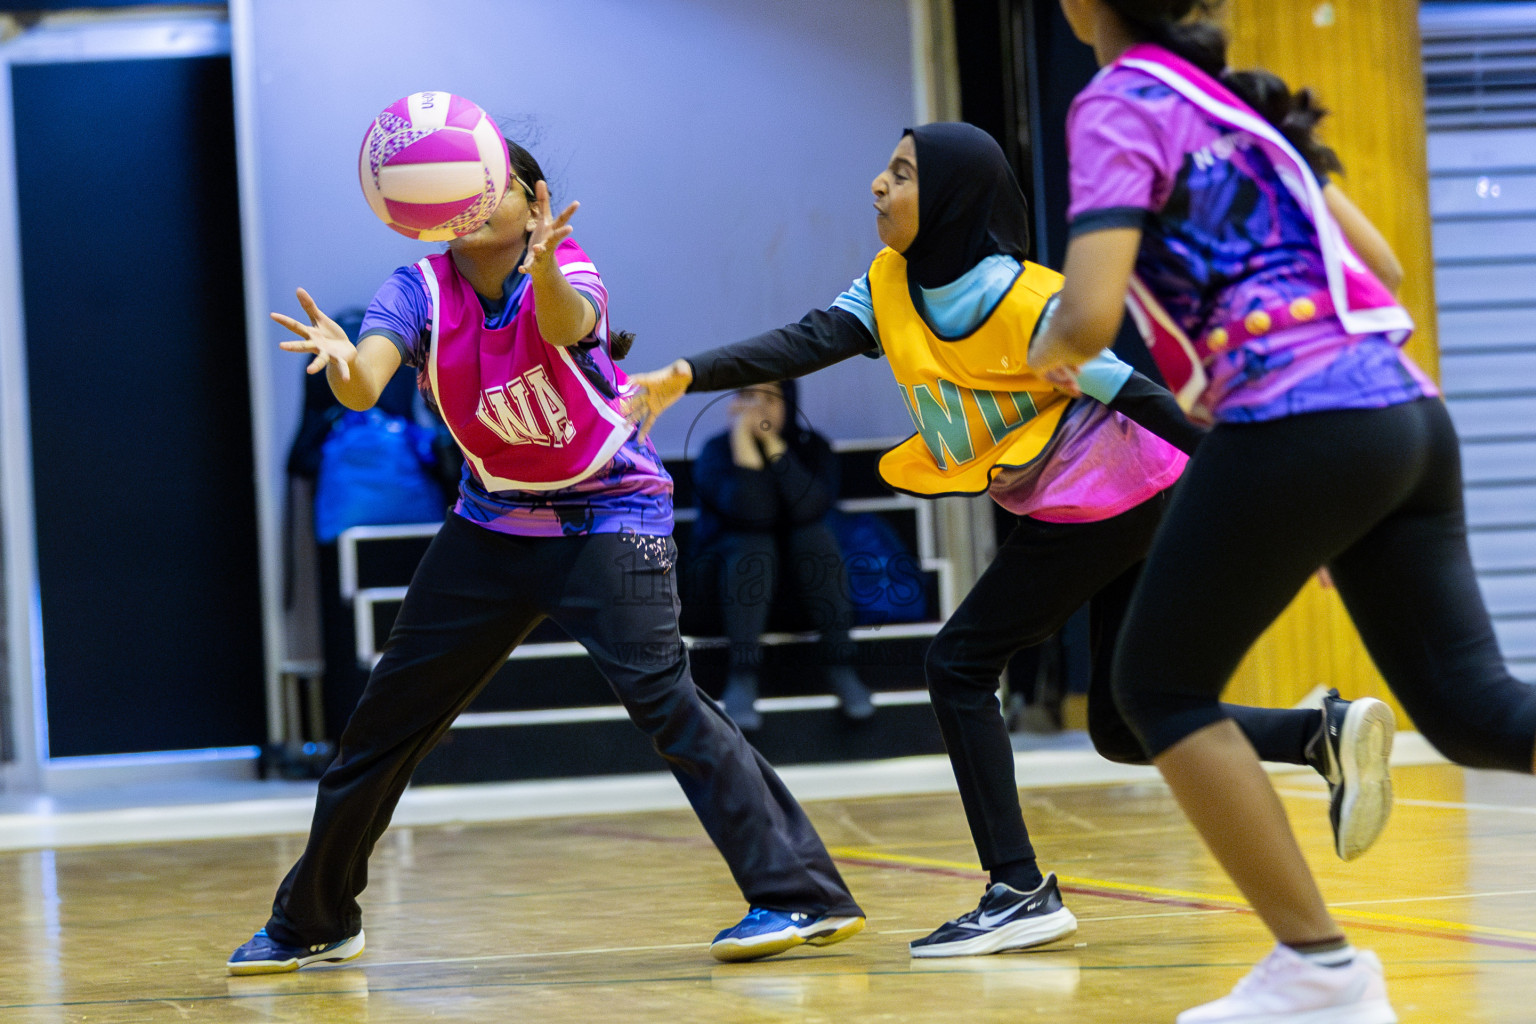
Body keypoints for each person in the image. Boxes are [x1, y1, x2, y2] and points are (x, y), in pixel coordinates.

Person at [624, 121, 1395, 962]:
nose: (878, 186)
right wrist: (684, 375)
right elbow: (805, 341)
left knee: (956, 664)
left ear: (953, 197)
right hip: (1106, 502)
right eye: (886, 169)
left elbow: (1145, 397)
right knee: (1124, 722)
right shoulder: (891, 283)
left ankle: (1017, 889)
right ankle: (1316, 733)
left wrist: (1282, 512)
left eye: (903, 173)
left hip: (1116, 495)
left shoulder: (1029, 303)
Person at [227, 137, 865, 975]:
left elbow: (566, 326)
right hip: (490, 528)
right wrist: (345, 368)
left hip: (609, 513)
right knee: (383, 726)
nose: (474, 194)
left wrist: (550, 262)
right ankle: (315, 919)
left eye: (496, 185)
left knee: (669, 704)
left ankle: (801, 894)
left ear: (532, 201)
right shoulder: (417, 288)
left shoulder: (570, 274)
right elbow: (366, 381)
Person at [1028, 3, 1536, 1021]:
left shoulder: (1119, 101)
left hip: (1306, 416)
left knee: (1156, 691)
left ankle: (1321, 971)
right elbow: (1383, 268)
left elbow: (1087, 315)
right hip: (1403, 411)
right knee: (1478, 712)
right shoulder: (1240, 104)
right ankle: (1317, 973)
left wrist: (1043, 353)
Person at [690, 378, 875, 729]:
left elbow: (810, 506)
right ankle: (742, 675)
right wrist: (744, 441)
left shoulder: (812, 447)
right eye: (748, 396)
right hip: (729, 591)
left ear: (789, 403)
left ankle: (841, 665)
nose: (757, 408)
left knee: (815, 536)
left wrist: (772, 444)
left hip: (805, 589)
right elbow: (749, 513)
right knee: (752, 543)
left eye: (769, 399)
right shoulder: (716, 451)